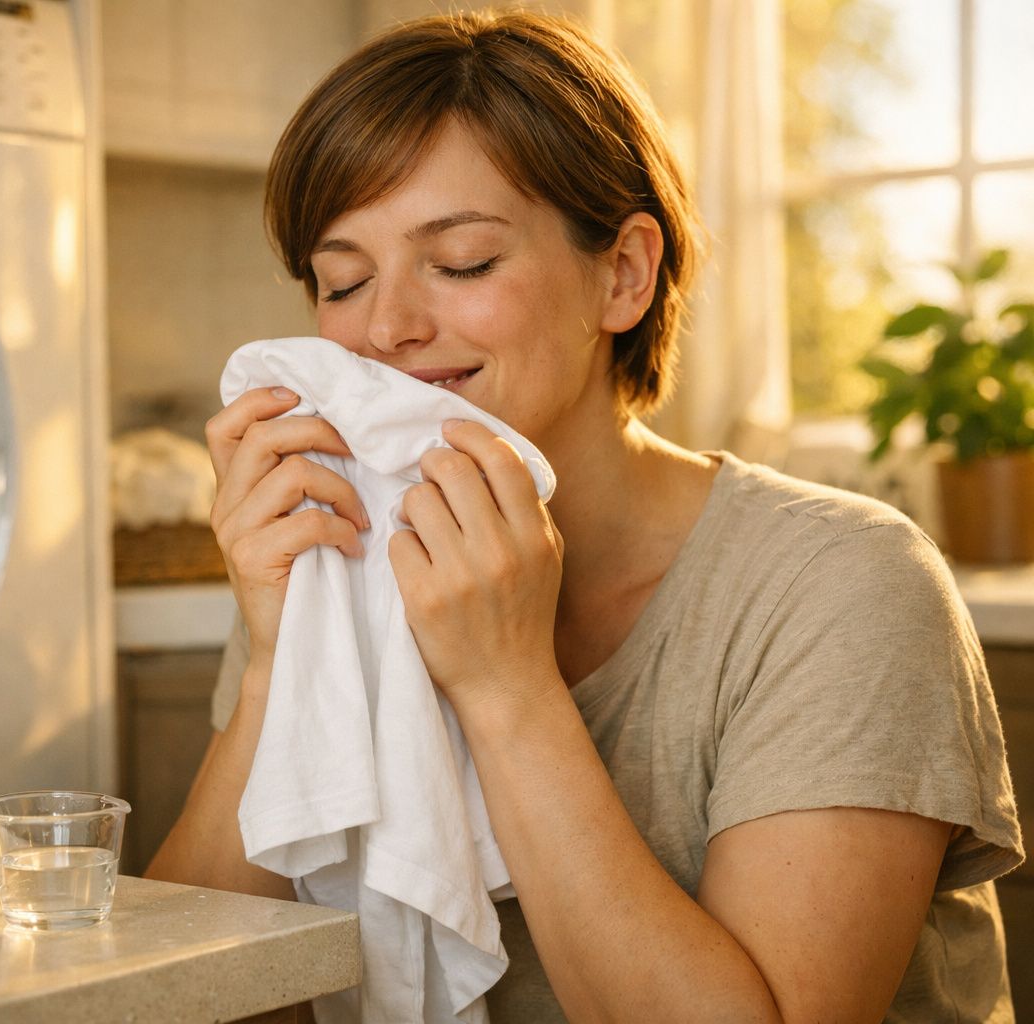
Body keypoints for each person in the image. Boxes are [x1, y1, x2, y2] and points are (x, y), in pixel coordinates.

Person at [145, 9, 1024, 1021]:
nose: (385, 327)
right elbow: (183, 992)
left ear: (624, 274)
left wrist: (506, 684)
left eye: (463, 262)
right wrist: (273, 662)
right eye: (344, 281)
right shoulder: (341, 562)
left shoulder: (844, 587)